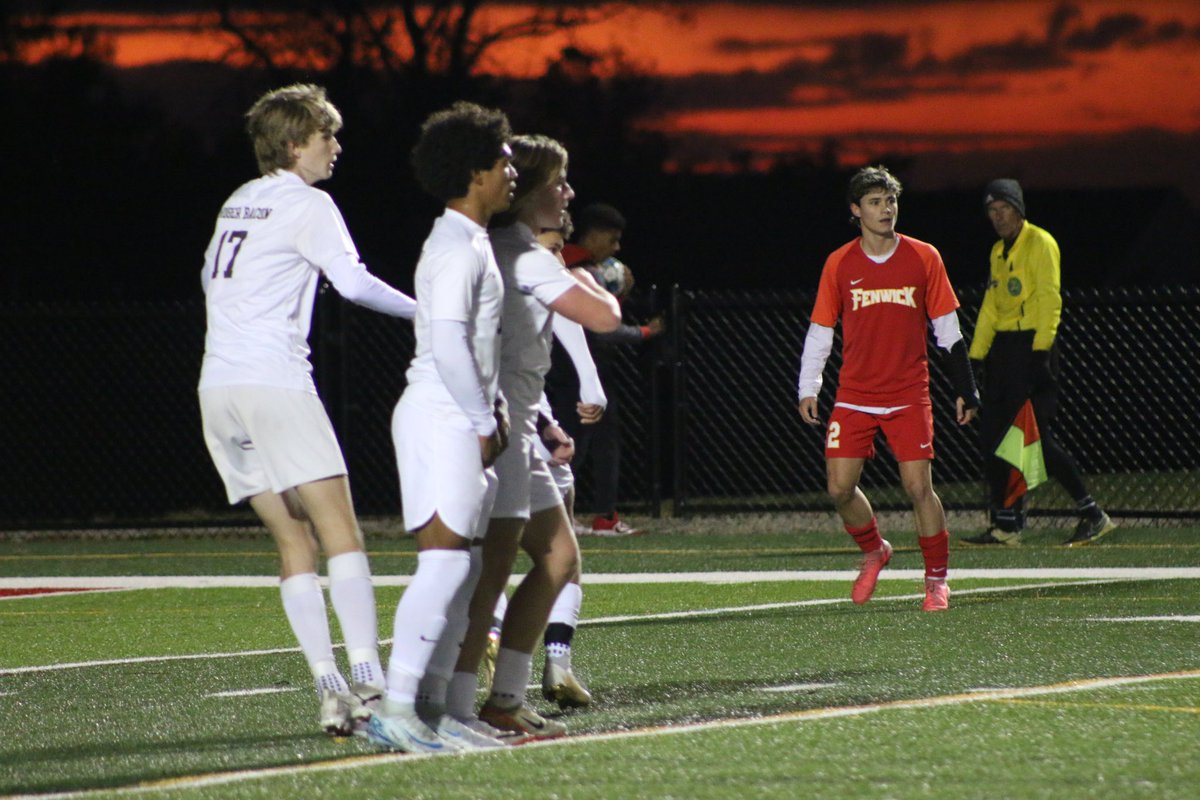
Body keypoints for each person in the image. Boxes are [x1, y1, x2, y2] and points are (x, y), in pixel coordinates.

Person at [197, 84, 416, 735]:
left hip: (218, 390)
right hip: (275, 383)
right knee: (340, 533)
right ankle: (372, 686)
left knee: (293, 539)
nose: (336, 148)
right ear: (297, 143)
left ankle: (330, 688)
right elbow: (351, 283)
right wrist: (429, 312)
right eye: (328, 136)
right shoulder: (308, 202)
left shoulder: (239, 200)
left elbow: (213, 279)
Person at [445, 134, 621, 743]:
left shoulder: (511, 247)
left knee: (558, 557)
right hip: (496, 429)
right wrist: (584, 272)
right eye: (559, 182)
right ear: (530, 192)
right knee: (487, 572)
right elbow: (605, 317)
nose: (568, 193)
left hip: (518, 423)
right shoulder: (521, 253)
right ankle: (460, 701)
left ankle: (503, 697)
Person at [364, 101, 516, 753]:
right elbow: (449, 342)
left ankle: (441, 710)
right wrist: (482, 416)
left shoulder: (470, 239)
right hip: (441, 413)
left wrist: (496, 409)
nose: (513, 171)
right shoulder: (455, 243)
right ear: (475, 171)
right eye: (504, 162)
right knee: (445, 566)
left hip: (458, 411)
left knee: (467, 566)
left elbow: (473, 344)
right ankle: (396, 709)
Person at [797, 165, 980, 613]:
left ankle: (936, 581)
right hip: (854, 394)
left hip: (908, 394)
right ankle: (875, 551)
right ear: (856, 210)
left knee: (919, 487)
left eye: (891, 201)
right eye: (875, 202)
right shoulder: (840, 262)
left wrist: (966, 388)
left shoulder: (923, 256)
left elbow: (948, 330)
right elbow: (822, 329)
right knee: (839, 488)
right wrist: (809, 386)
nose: (886, 210)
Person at [961, 179, 1115, 547]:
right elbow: (989, 309)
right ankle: (1006, 525)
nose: (998, 218)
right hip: (1003, 351)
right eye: (992, 211)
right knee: (994, 439)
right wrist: (975, 357)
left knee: (1037, 440)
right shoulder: (998, 251)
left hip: (1030, 348)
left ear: (1019, 210)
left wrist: (1040, 354)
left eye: (1004, 209)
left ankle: (1093, 514)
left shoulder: (1041, 243)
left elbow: (1050, 299)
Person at [545, 202, 666, 536]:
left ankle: (585, 515)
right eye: (612, 239)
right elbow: (601, 325)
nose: (616, 248)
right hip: (574, 371)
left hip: (566, 370)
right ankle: (568, 516)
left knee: (588, 440)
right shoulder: (573, 265)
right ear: (594, 234)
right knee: (577, 442)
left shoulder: (568, 263)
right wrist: (645, 331)